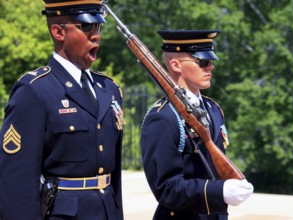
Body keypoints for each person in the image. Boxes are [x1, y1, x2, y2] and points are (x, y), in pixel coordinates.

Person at [0, 0, 125, 219]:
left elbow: (113, 179)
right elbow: (16, 183)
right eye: (86, 27)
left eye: (98, 27)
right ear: (58, 32)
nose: (96, 35)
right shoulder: (35, 90)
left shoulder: (109, 89)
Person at [140, 30, 254, 220]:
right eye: (203, 62)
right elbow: (167, 188)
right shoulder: (163, 117)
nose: (210, 67)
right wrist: (220, 191)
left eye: (211, 61)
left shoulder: (213, 109)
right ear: (176, 65)